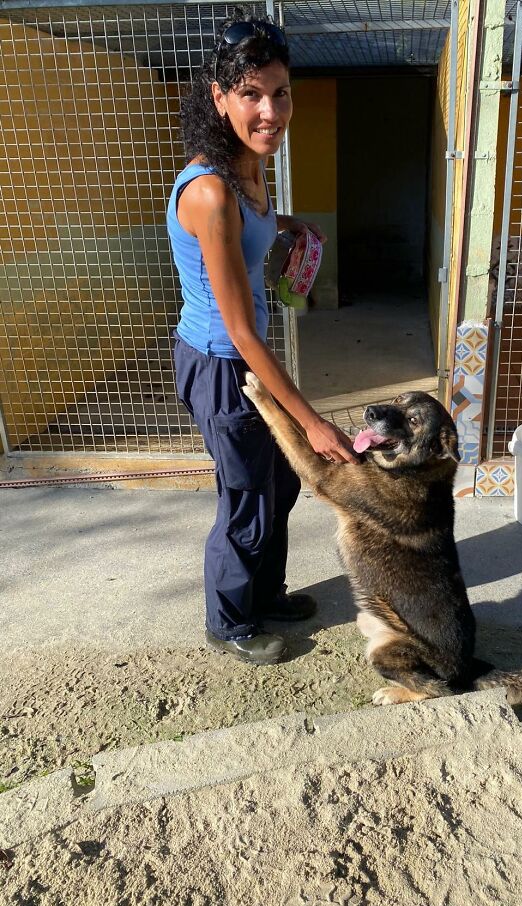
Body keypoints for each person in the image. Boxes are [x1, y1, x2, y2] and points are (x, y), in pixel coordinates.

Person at [167, 14, 358, 666]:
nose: (269, 110)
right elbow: (242, 331)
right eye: (251, 94)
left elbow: (255, 226)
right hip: (222, 366)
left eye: (280, 92)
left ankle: (267, 593)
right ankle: (229, 620)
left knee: (280, 483)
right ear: (220, 98)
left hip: (242, 359)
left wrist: (287, 224)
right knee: (246, 495)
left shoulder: (247, 164)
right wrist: (314, 422)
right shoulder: (210, 191)